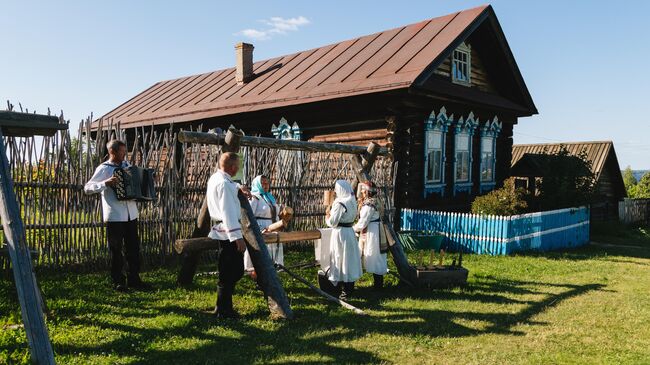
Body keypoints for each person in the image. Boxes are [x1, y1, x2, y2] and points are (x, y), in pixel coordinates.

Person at [84, 139, 149, 292]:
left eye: (124, 150)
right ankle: (118, 281)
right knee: (116, 250)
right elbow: (87, 188)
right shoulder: (104, 169)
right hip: (114, 216)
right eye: (121, 151)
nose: (124, 153)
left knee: (133, 248)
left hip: (131, 214)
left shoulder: (128, 167)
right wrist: (105, 183)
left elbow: (137, 183)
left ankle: (134, 279)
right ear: (112, 152)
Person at [206, 152, 250, 319]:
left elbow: (230, 187)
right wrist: (237, 237)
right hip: (228, 231)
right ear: (232, 167)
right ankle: (224, 310)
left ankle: (222, 307)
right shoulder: (223, 184)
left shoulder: (216, 179)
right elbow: (228, 212)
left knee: (230, 270)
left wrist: (240, 189)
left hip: (225, 229)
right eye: (237, 165)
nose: (238, 168)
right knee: (232, 271)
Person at [324, 180, 362, 300]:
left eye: (336, 189)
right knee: (348, 259)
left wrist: (327, 217)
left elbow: (333, 222)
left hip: (340, 234)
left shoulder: (340, 203)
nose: (335, 191)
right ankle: (349, 288)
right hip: (349, 232)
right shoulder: (352, 201)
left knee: (340, 258)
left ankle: (343, 290)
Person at [244, 175, 283, 275]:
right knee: (261, 250)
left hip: (272, 226)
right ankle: (254, 271)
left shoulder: (270, 197)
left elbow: (274, 213)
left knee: (272, 248)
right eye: (263, 183)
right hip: (260, 227)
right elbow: (249, 214)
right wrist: (256, 229)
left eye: (267, 183)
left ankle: (273, 270)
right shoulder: (254, 197)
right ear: (257, 184)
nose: (266, 186)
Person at [354, 182, 388, 290]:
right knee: (375, 255)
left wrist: (353, 229)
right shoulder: (375, 201)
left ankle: (378, 286)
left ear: (368, 191)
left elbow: (363, 221)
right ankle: (378, 284)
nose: (362, 192)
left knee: (374, 255)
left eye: (364, 190)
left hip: (373, 232)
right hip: (374, 229)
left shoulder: (369, 204)